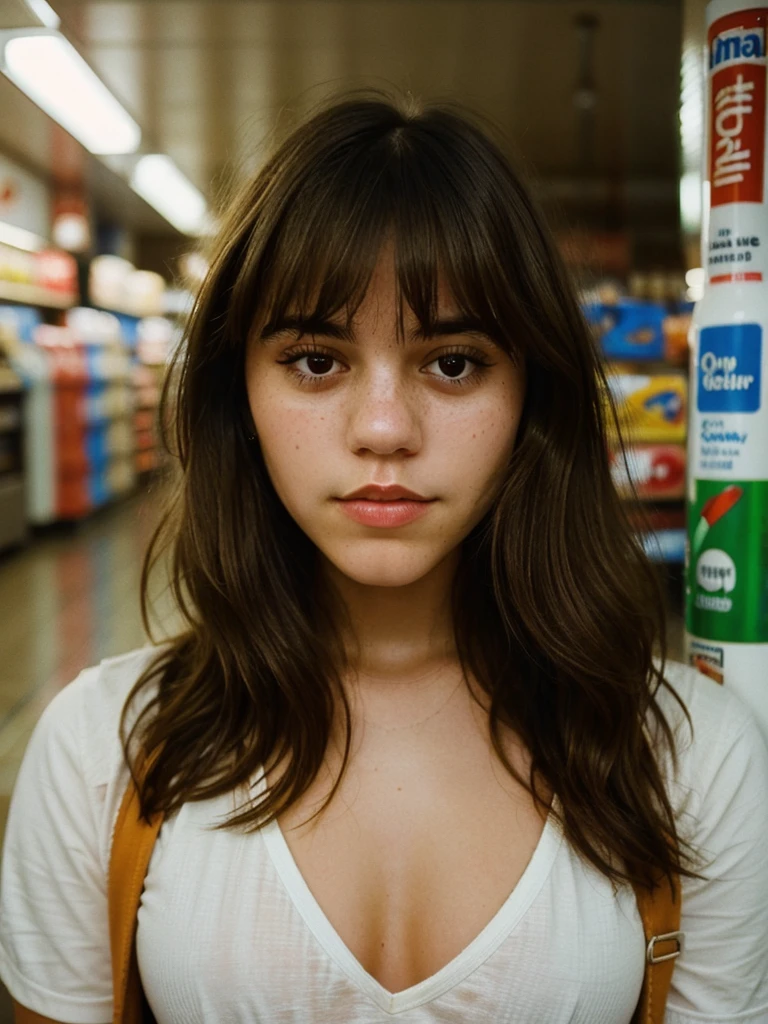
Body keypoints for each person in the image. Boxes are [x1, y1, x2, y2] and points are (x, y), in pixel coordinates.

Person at [2, 91, 768, 1024]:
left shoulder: (693, 759)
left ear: (534, 394)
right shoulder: (103, 755)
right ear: (236, 390)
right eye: (317, 360)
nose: (383, 430)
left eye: (453, 363)